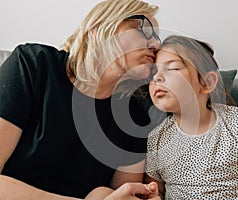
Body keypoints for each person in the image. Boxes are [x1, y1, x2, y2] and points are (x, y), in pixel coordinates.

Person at [0, 0, 163, 199]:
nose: (155, 44)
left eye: (156, 37)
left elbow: (121, 194)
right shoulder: (33, 65)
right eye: (141, 29)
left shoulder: (137, 115)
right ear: (98, 29)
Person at [145, 35, 238, 199]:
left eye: (172, 68)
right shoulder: (157, 138)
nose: (157, 78)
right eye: (153, 73)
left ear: (207, 82)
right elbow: (157, 190)